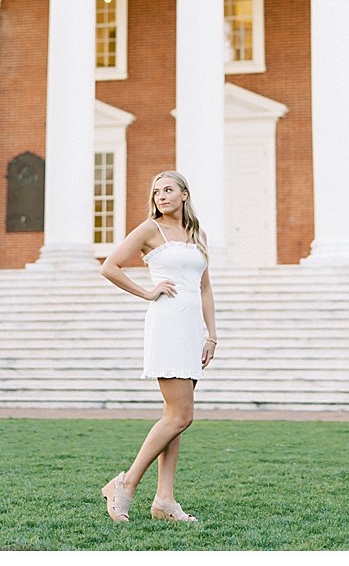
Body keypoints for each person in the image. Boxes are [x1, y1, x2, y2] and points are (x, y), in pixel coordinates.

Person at [97, 170, 216, 523]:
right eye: (156, 191)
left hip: (193, 328)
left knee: (175, 419)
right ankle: (125, 484)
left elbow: (205, 288)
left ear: (184, 194)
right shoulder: (151, 229)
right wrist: (147, 292)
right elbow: (110, 266)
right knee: (181, 415)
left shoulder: (197, 234)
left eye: (168, 190)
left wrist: (212, 335)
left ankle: (164, 500)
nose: (160, 196)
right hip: (167, 325)